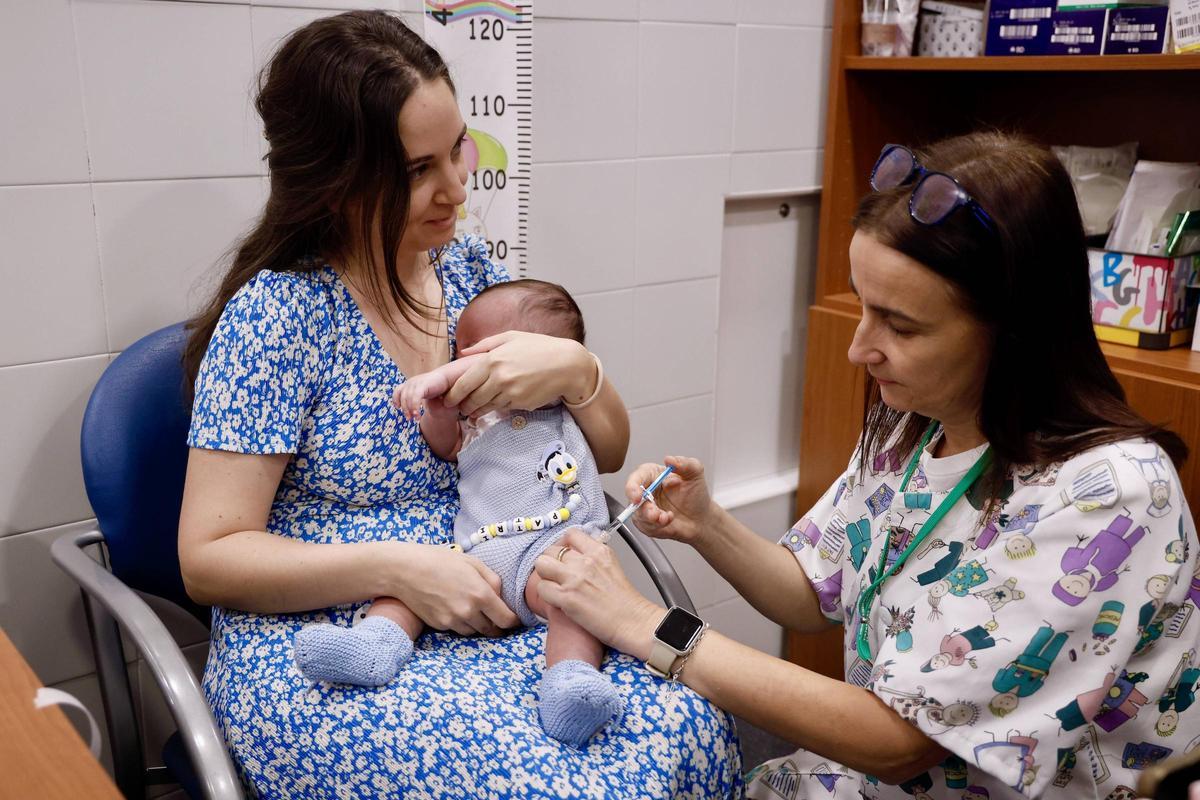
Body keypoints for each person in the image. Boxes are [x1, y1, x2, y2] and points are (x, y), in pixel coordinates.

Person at [533, 131, 1200, 799]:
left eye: (900, 326)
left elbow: (895, 743)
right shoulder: (915, 426)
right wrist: (706, 524)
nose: (858, 349)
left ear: (1014, 330)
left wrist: (642, 623)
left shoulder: (1108, 497)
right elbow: (811, 592)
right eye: (861, 304)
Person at [177, 11, 740, 798]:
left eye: (458, 151)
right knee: (550, 786)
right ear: (336, 181)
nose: (457, 188)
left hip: (494, 598)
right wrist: (402, 568)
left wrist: (581, 373)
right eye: (418, 170)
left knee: (687, 722)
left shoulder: (470, 274)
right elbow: (208, 559)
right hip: (333, 629)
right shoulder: (280, 316)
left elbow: (605, 452)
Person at [293, 279, 624, 748]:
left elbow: (607, 445)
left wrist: (571, 368)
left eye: (475, 351)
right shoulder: (475, 421)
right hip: (473, 557)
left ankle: (570, 681)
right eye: (456, 351)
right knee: (401, 595)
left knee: (572, 599)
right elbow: (445, 446)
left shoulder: (551, 399)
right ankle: (376, 643)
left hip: (547, 548)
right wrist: (439, 405)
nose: (460, 361)